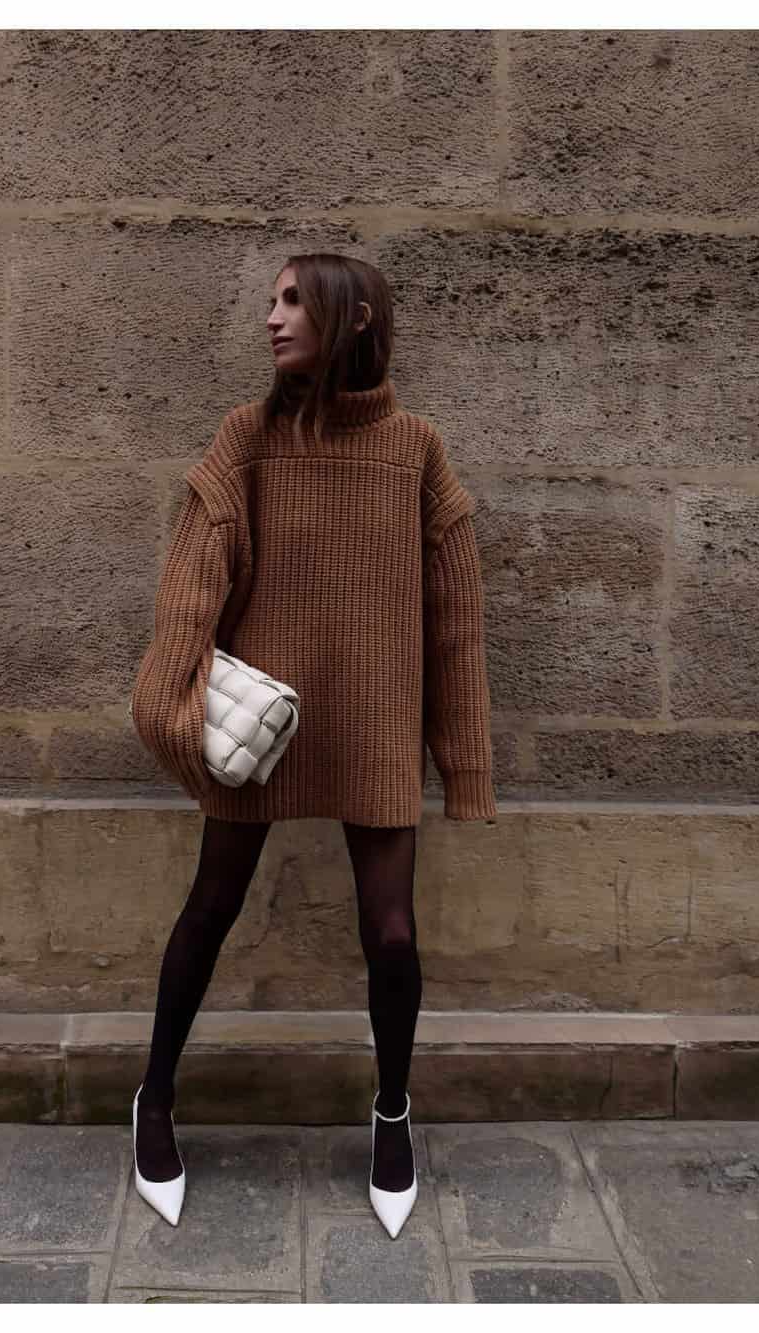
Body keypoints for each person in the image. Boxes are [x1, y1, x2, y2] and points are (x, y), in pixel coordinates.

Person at [128, 252, 498, 1243]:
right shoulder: (245, 441)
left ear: (355, 314)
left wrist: (461, 762)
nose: (271, 317)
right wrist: (173, 710)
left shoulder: (414, 451)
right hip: (266, 728)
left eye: (292, 300)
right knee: (209, 908)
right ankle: (153, 1099)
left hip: (374, 721)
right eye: (268, 300)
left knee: (390, 935)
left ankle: (389, 1112)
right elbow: (191, 582)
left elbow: (453, 614)